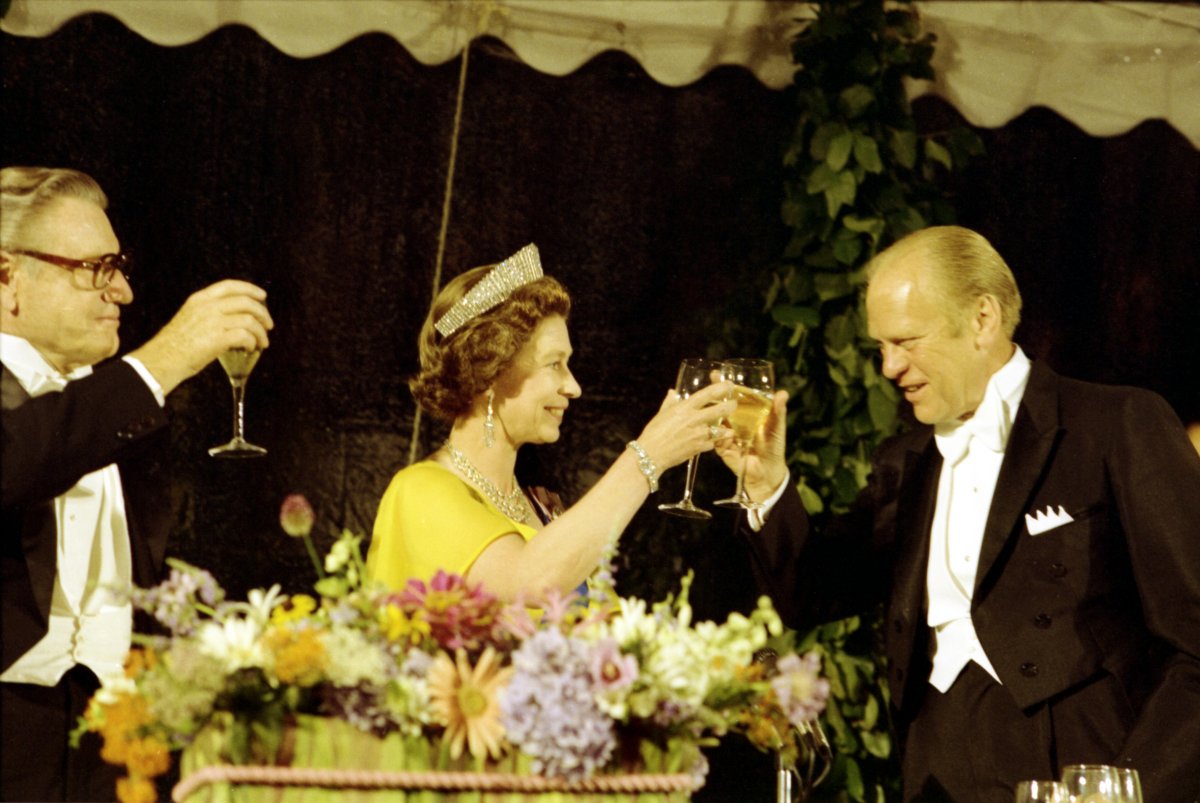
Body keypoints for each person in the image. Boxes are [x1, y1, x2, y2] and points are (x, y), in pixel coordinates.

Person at [719, 226, 1200, 802]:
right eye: (880, 347)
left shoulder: (1116, 424)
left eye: (906, 341)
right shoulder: (906, 462)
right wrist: (765, 482)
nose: (888, 367)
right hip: (935, 772)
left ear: (982, 318)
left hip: (1078, 771)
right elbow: (808, 592)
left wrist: (1130, 789)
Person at [0, 166, 274, 801]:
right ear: (8, 276)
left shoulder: (114, 416)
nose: (121, 291)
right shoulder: (119, 398)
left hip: (114, 741)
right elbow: (19, 456)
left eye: (119, 267)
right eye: (96, 269)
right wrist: (166, 356)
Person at [367, 243, 733, 601]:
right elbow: (531, 582)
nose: (573, 387)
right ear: (489, 373)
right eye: (554, 364)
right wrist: (648, 456)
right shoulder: (419, 491)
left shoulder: (539, 505)